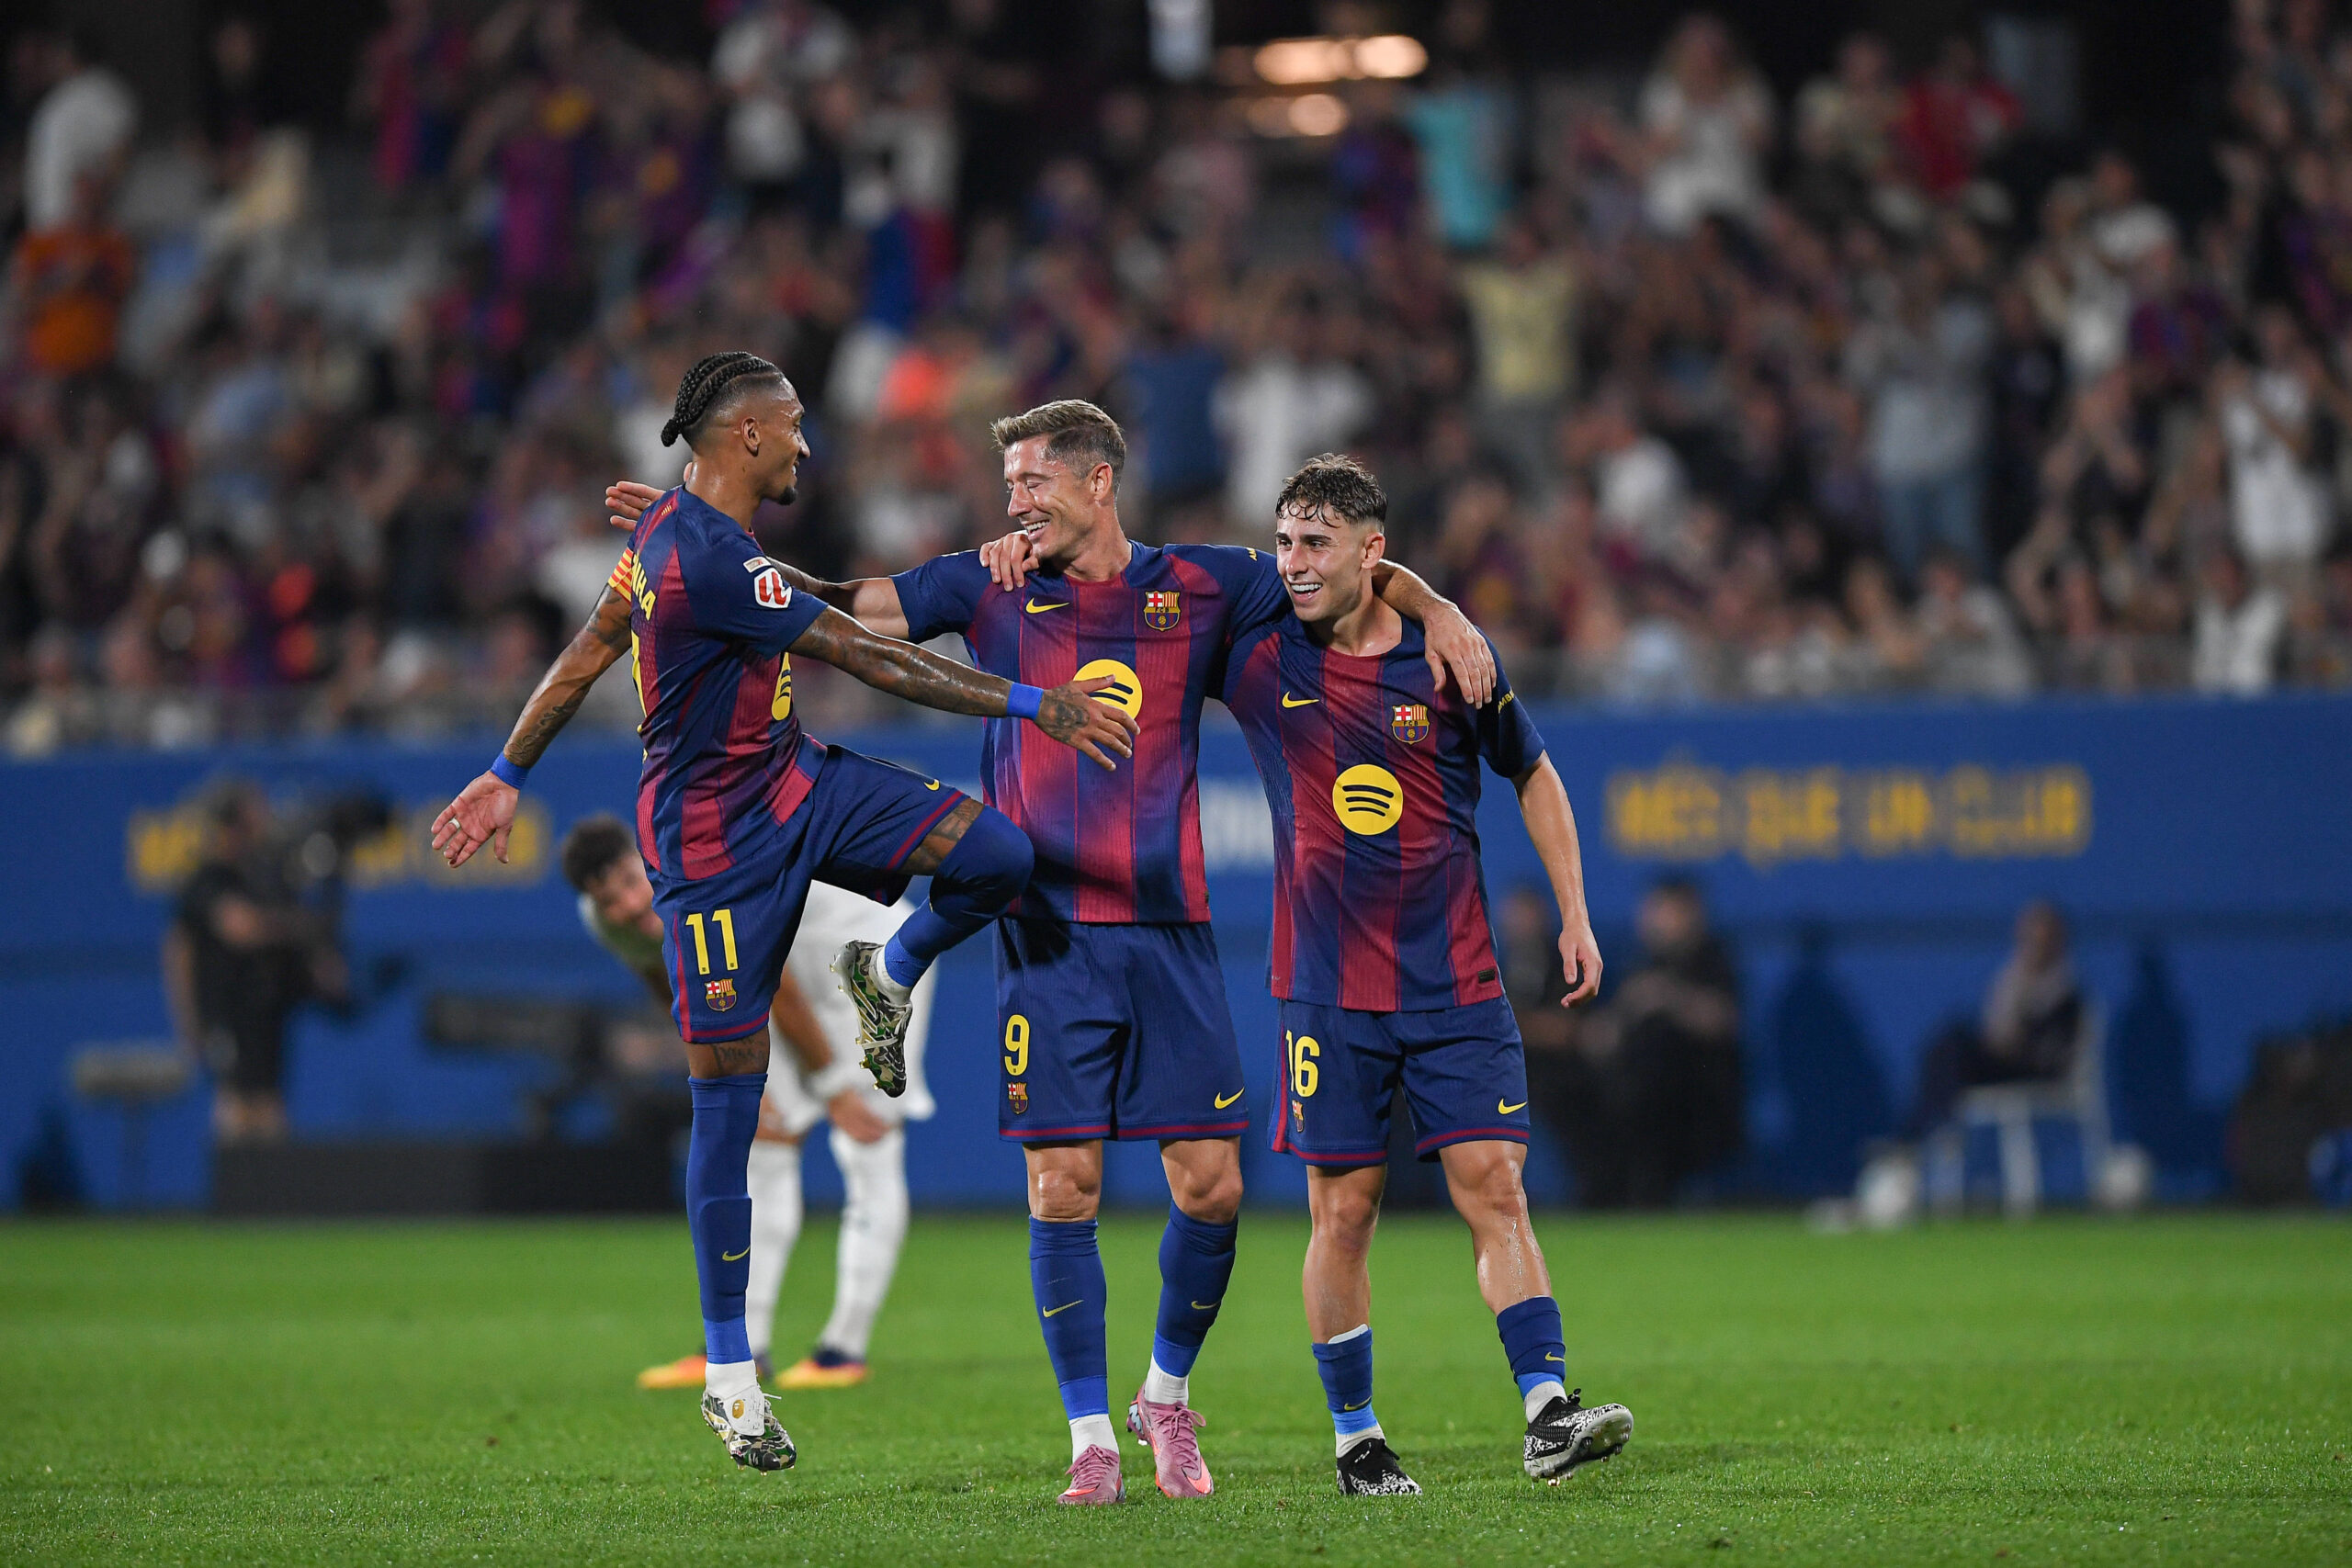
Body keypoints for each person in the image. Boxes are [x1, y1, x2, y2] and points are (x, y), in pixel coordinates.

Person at [615, 398, 1490, 1504]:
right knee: (1064, 1188)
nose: (1014, 501)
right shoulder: (985, 582)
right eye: (1011, 484)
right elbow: (849, 611)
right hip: (1047, 934)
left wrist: (1441, 608)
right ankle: (1090, 1438)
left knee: (1213, 1188)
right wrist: (707, 547)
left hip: (1168, 925)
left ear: (1096, 482)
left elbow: (1343, 577)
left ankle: (1164, 1397)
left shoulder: (1205, 584)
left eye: (1032, 481)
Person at [433, 353, 1136, 1475]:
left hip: (802, 783)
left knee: (997, 856)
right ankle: (728, 1374)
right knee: (731, 1099)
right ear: (748, 436)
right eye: (794, 426)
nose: (810, 444)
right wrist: (1031, 703)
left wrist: (508, 772)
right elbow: (859, 650)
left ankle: (887, 972)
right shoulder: (701, 553)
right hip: (714, 852)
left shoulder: (684, 540)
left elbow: (591, 650)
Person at [1202, 454, 1624, 1495]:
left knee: (1497, 1190)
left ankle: (1547, 1411)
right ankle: (1356, 1440)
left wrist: (1573, 912)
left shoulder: (1450, 664)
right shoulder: (1259, 657)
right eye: (1283, 543)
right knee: (1343, 1214)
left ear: (1370, 551)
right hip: (1326, 990)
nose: (1292, 565)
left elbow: (1533, 772)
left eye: (1316, 545)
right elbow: (1144, 587)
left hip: (1455, 982)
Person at [560, 815, 922, 1393]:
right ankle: (745, 1348)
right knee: (764, 1142)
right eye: (609, 900)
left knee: (866, 1137)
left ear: (644, 858)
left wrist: (832, 1089)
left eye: (632, 882)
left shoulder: (695, 875)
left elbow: (775, 983)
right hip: (781, 964)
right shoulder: (607, 922)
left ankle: (843, 1349)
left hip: (869, 951)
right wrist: (707, 1062)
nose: (630, 905)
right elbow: (667, 975)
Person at [161, 779, 347, 1145]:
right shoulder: (209, 878)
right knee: (238, 1101)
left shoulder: (260, 875)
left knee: (268, 1103)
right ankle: (238, 1193)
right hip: (228, 1013)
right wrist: (299, 926)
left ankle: (269, 1194)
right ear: (233, 824)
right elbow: (237, 927)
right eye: (255, 813)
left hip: (264, 1012)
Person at [1545, 877, 1742, 1209]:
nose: (1652, 920)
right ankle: (1599, 1197)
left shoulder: (1711, 959)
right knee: (1574, 1092)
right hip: (1629, 1093)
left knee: (1651, 1081)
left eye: (1664, 912)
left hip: (1693, 1098)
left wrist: (1666, 997)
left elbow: (1723, 1021)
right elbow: (1611, 1029)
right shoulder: (1642, 962)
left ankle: (1648, 1196)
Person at [1901, 900, 2085, 1141]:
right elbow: (1996, 1027)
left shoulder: (2066, 993)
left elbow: (2044, 1051)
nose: (2035, 947)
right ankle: (1936, 1128)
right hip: (2002, 1062)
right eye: (2029, 938)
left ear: (2056, 942)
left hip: (2032, 1072)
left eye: (2042, 940)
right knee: (1948, 1046)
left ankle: (1927, 1133)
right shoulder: (2013, 977)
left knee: (1953, 1047)